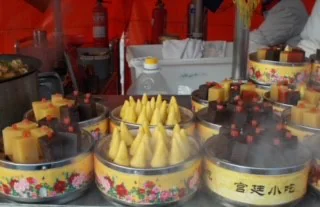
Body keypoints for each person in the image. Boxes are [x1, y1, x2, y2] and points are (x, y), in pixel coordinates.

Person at [203, 0, 309, 52]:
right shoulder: (274, 6)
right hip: (291, 62)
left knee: (249, 45)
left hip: (287, 11)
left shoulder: (288, 10)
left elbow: (257, 40)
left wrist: (220, 51)